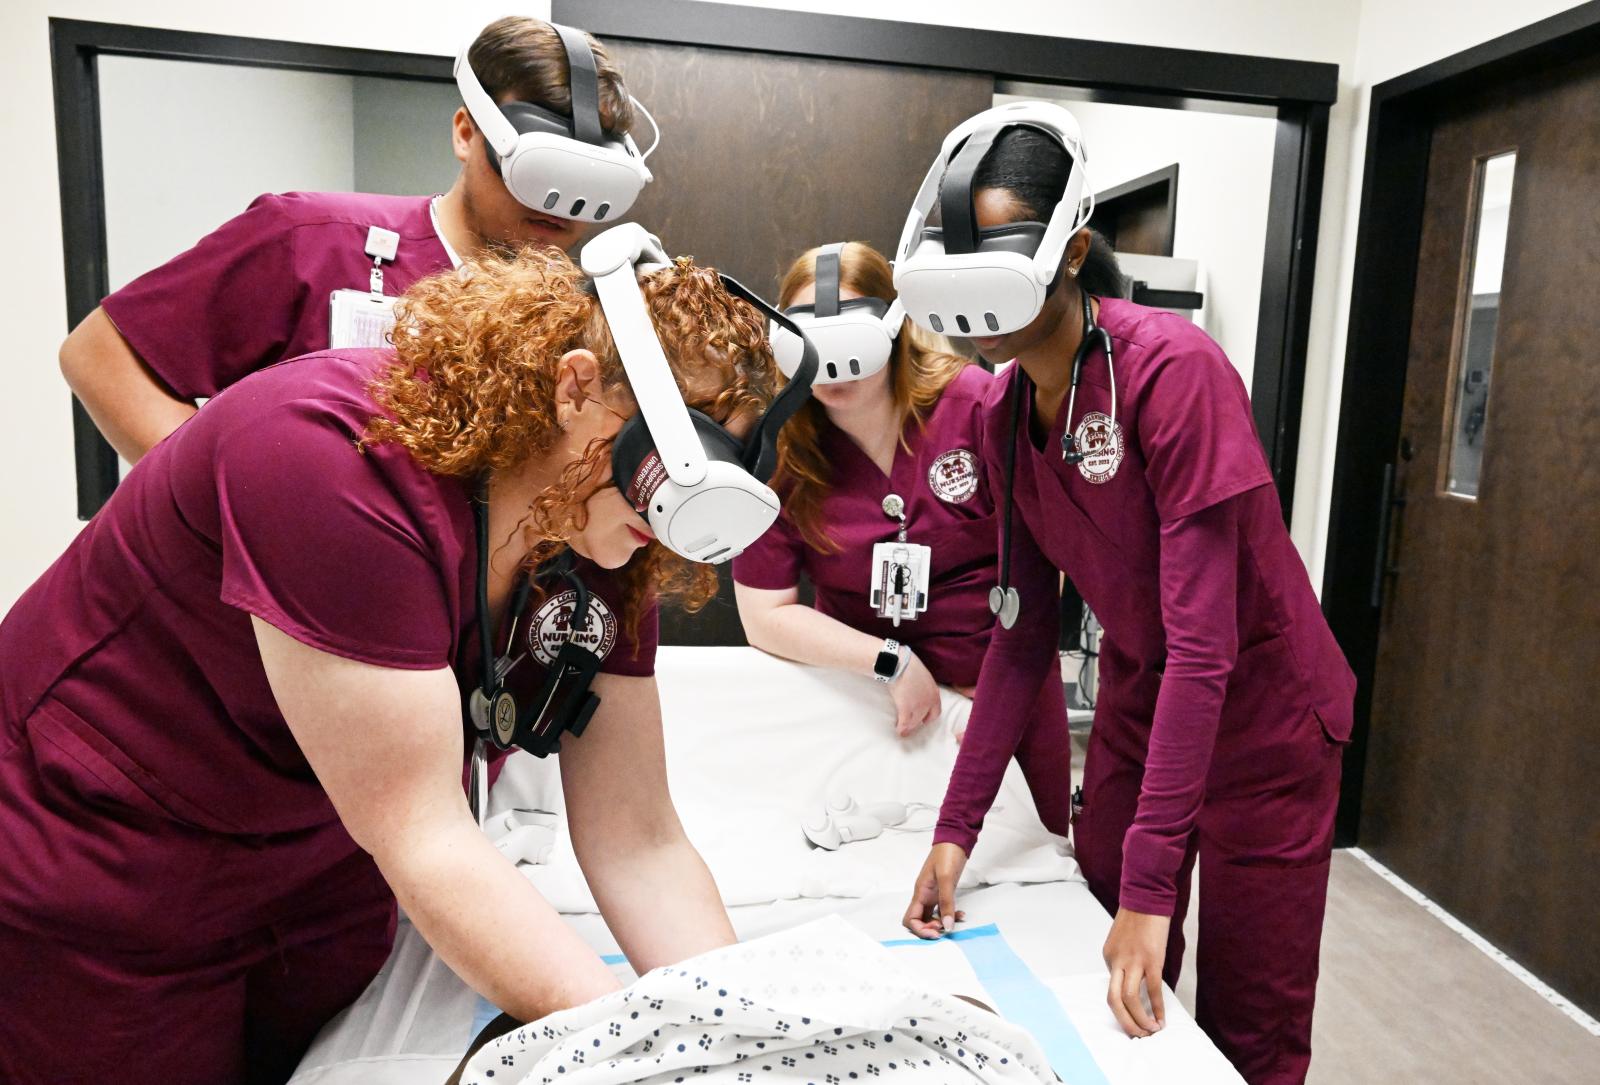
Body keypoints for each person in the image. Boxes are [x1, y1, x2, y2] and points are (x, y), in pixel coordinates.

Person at [0, 248, 774, 1084]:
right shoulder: (329, 459)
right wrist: (625, 1050)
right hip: (112, 859)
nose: (668, 517)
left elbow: (638, 839)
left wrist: (737, 1041)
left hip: (319, 870)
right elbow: (427, 835)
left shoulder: (600, 525)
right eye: (662, 466)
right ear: (575, 385)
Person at [899, 108, 1355, 1085]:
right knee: (1095, 939)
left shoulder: (1173, 373)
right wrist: (954, 829)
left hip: (1264, 710)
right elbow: (1019, 637)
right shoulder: (1006, 407)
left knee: (1248, 1014)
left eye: (1001, 249)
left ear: (1067, 248)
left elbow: (1208, 647)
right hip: (1147, 689)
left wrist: (1154, 891)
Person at [59, 14, 635, 464]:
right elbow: (100, 357)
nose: (555, 205)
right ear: (467, 134)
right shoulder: (310, 238)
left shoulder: (580, 318)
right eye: (539, 170)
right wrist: (228, 504)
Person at [733, 241, 1071, 836]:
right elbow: (764, 616)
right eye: (812, 345)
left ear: (893, 328)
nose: (832, 370)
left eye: (850, 343)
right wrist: (888, 662)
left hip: (1001, 687)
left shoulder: (976, 406)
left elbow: (1049, 559)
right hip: (867, 698)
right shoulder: (782, 452)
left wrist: (999, 693)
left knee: (1027, 855)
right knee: (873, 848)